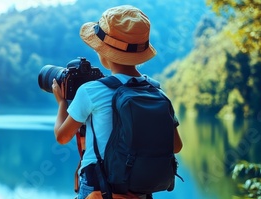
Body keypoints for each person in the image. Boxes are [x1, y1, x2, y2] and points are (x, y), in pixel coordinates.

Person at [52, 5, 183, 199]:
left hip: (99, 190)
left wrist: (62, 102)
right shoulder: (156, 91)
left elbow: (62, 137)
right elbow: (176, 146)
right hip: (140, 192)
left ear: (103, 52)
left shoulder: (91, 91)